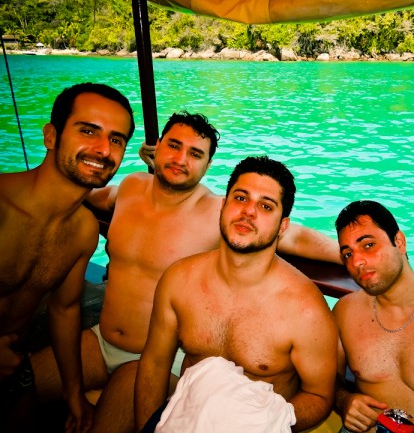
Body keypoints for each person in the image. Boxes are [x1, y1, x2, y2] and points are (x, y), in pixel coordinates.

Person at [32, 111, 341, 433]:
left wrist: (355, 256)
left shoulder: (219, 214)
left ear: (207, 166)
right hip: (107, 339)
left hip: (177, 365)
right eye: (174, 146)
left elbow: (294, 236)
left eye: (194, 154)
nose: (180, 159)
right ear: (156, 147)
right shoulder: (132, 188)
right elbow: (87, 193)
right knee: (21, 384)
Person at [134, 155, 338, 431]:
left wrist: (262, 424)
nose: (249, 212)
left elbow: (319, 396)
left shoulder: (305, 311)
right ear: (223, 206)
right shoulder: (179, 280)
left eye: (266, 206)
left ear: (283, 227)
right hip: (184, 416)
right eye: (241, 198)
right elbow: (156, 363)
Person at [0, 82, 135, 433]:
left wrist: (74, 392)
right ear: (50, 136)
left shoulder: (83, 230)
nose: (103, 149)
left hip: (15, 371)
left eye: (116, 139)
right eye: (88, 130)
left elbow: (65, 309)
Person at [332, 200, 414, 432]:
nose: (357, 261)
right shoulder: (345, 312)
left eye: (368, 245)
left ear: (399, 242)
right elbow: (330, 379)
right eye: (347, 253)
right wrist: (344, 401)